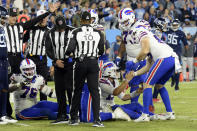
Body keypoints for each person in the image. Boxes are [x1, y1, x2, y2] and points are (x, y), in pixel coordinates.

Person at [117, 8, 180, 122]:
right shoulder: (143, 31)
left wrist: (135, 62)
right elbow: (148, 66)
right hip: (172, 58)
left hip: (164, 57)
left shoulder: (139, 30)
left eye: (125, 22)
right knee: (159, 85)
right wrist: (135, 73)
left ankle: (145, 115)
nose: (123, 24)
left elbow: (145, 50)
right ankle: (170, 113)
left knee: (147, 84)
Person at [4, 2, 60, 118]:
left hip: (19, 57)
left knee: (30, 81)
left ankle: (31, 105)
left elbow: (35, 20)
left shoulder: (21, 26)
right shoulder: (3, 29)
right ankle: (7, 114)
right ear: (7, 17)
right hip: (8, 58)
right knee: (6, 85)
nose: (14, 18)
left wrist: (49, 12)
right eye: (12, 16)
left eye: (15, 16)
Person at [65, 11, 104, 127]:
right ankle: (97, 119)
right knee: (95, 91)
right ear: (91, 21)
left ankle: (73, 118)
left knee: (77, 90)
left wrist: (73, 55)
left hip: (80, 62)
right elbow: (101, 50)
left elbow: (69, 49)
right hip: (93, 62)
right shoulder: (98, 33)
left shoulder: (76, 31)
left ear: (81, 20)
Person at [45, 15, 75, 124]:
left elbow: (78, 45)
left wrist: (73, 55)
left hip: (70, 63)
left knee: (70, 89)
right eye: (59, 27)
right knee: (59, 90)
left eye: (63, 27)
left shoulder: (73, 31)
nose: (61, 29)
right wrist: (55, 60)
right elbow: (48, 49)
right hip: (58, 63)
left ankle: (74, 115)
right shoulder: (50, 33)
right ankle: (62, 115)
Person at [24, 10, 51, 101]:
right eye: (41, 17)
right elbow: (23, 40)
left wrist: (53, 64)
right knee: (28, 84)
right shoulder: (31, 29)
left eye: (44, 17)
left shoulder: (50, 31)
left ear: (47, 18)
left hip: (42, 60)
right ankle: (28, 107)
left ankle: (44, 105)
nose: (43, 19)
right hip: (30, 59)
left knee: (43, 84)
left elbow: (53, 49)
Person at [0, 6, 17, 124]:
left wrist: (7, 60)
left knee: (5, 88)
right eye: (2, 18)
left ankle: (3, 114)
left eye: (5, 18)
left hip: (4, 61)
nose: (4, 20)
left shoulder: (2, 29)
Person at [165, 19, 188, 91]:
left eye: (175, 25)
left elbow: (186, 44)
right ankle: (174, 82)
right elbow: (186, 45)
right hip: (172, 52)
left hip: (172, 53)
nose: (174, 26)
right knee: (172, 69)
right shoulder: (180, 33)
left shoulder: (168, 31)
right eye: (174, 25)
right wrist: (185, 52)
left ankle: (176, 84)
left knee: (175, 69)